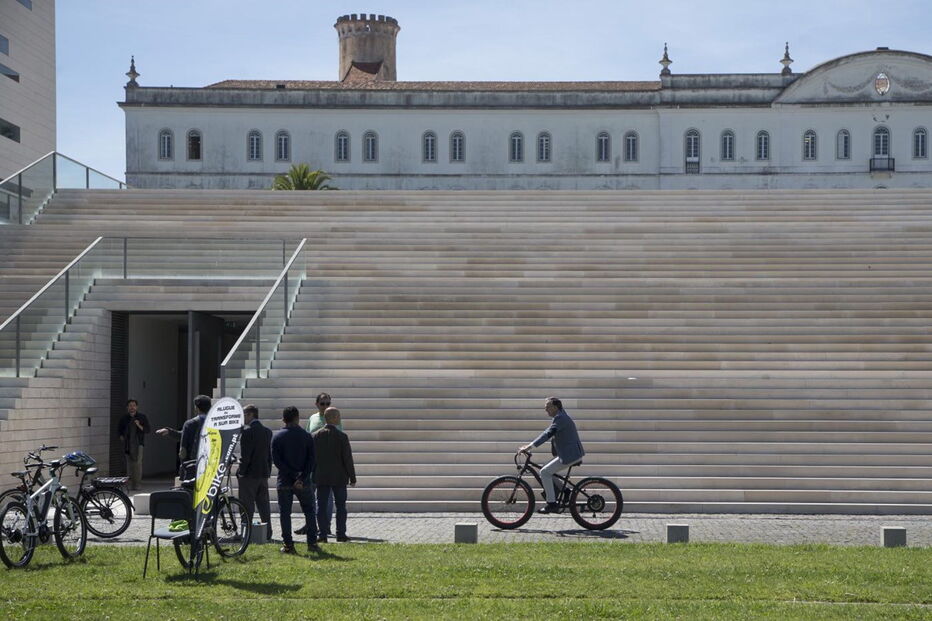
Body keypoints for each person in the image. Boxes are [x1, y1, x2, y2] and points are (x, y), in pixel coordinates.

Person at [518, 397, 585, 514]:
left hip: (571, 455)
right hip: (569, 453)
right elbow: (547, 432)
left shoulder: (561, 418)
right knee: (546, 469)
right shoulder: (560, 417)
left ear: (555, 407)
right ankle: (565, 491)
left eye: (547, 407)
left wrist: (529, 447)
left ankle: (551, 504)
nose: (545, 409)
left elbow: (548, 434)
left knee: (544, 472)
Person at [271, 406, 319, 554]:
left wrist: (292, 476)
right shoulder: (306, 436)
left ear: (283, 419)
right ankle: (312, 543)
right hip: (303, 480)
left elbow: (277, 462)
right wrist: (301, 477)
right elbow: (312, 460)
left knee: (285, 513)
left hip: (284, 480)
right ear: (297, 418)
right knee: (309, 511)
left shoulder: (277, 437)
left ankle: (288, 545)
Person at [297, 392, 341, 537]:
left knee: (326, 498)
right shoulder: (312, 418)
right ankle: (310, 524)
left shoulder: (335, 418)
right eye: (323, 403)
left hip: (327, 464)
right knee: (309, 495)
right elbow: (306, 437)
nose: (325, 406)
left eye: (328, 403)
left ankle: (325, 526)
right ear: (317, 404)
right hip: (312, 463)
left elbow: (338, 436)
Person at [312, 407, 356, 543]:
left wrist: (311, 475)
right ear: (334, 418)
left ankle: (323, 534)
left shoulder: (315, 436)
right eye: (338, 416)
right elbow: (347, 459)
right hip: (340, 477)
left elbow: (311, 458)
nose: (339, 418)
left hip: (321, 477)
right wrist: (352, 477)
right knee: (341, 506)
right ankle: (340, 534)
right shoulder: (342, 437)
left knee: (321, 505)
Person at [237, 404, 273, 541]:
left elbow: (246, 456)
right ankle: (268, 533)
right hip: (263, 473)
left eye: (244, 414)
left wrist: (242, 471)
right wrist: (268, 471)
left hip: (249, 475)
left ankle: (246, 533)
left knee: (246, 506)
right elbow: (269, 455)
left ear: (250, 414)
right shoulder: (267, 431)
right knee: (264, 506)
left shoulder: (247, 432)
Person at [117, 399, 151, 490]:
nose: (132, 407)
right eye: (130, 406)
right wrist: (121, 436)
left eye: (134, 405)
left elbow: (147, 430)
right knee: (129, 464)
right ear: (127, 408)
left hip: (138, 444)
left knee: (137, 464)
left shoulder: (142, 417)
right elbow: (119, 430)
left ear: (137, 407)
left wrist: (139, 425)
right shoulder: (124, 418)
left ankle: (137, 483)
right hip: (128, 444)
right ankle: (131, 483)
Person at [179, 395, 212, 470]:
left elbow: (183, 450)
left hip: (193, 463)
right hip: (210, 464)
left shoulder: (189, 424)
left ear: (196, 408)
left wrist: (183, 465)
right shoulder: (215, 423)